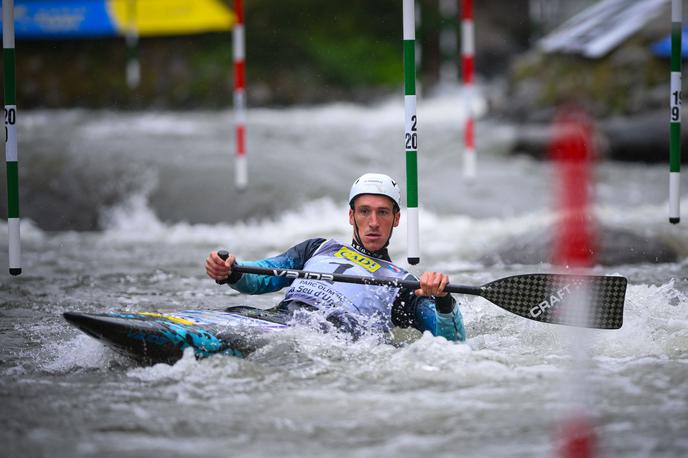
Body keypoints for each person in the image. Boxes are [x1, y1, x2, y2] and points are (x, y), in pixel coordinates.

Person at [205, 173, 465, 341]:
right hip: (277, 321)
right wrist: (232, 270)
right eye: (364, 211)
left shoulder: (405, 285)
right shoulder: (317, 247)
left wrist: (443, 299)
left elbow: (452, 344)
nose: (373, 222)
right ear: (351, 216)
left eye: (383, 213)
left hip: (326, 342)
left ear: (396, 219)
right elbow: (262, 276)